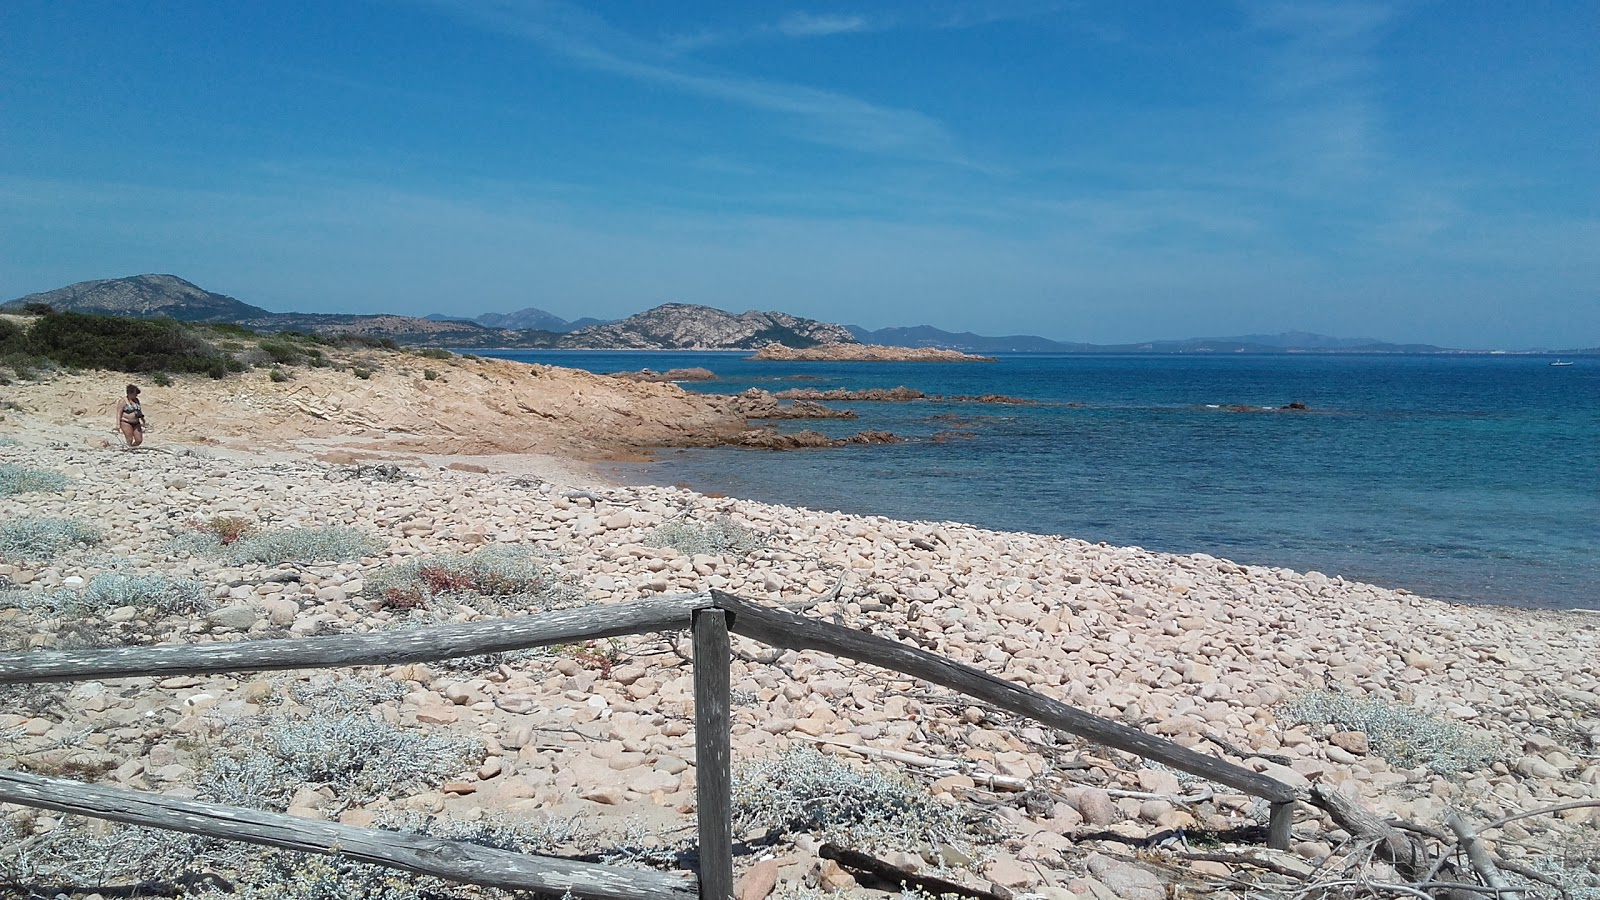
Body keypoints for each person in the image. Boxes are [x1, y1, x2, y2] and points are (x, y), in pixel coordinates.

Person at [115, 383, 146, 448]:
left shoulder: (136, 400)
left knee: (139, 440)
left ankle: (132, 447)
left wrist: (143, 420)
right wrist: (118, 424)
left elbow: (139, 411)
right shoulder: (123, 401)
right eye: (135, 394)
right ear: (130, 393)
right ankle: (129, 449)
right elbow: (119, 413)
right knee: (129, 438)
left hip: (136, 422)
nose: (136, 395)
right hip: (126, 422)